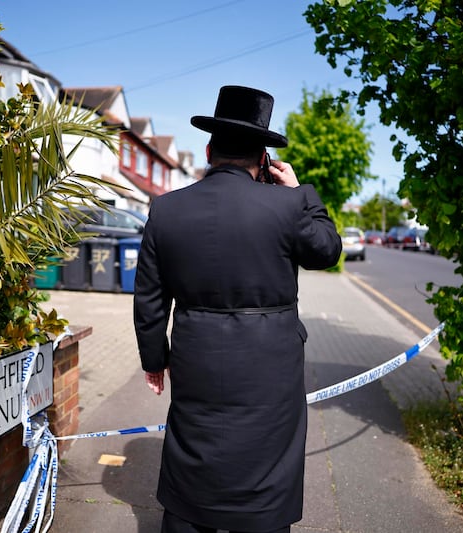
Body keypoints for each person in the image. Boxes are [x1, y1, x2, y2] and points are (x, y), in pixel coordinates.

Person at [133, 85, 342, 533]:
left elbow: (150, 297)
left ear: (209, 150)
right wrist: (301, 191)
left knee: (195, 448)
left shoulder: (166, 209)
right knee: (268, 457)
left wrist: (155, 361)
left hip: (196, 358)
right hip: (272, 363)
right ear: (263, 157)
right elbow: (326, 251)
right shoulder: (289, 206)